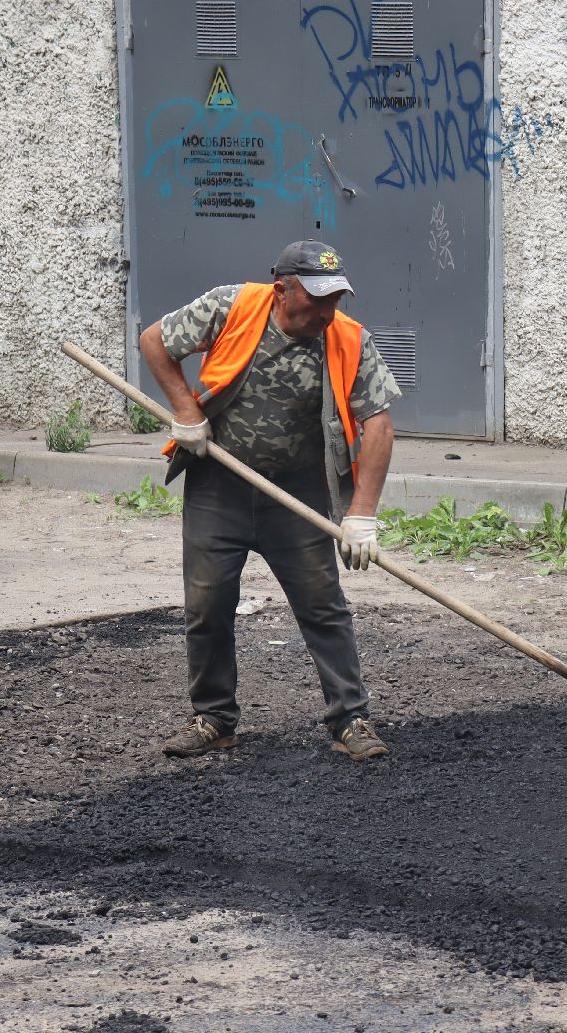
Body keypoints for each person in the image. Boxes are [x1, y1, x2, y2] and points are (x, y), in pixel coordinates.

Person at [138, 240, 402, 760]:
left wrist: (362, 514)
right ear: (282, 290)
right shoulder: (232, 306)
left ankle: (350, 720)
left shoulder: (348, 339)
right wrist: (186, 411)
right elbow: (155, 341)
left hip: (296, 491)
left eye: (336, 299)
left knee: (323, 607)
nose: (328, 311)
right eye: (317, 300)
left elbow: (379, 425)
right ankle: (214, 718)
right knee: (208, 605)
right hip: (220, 485)